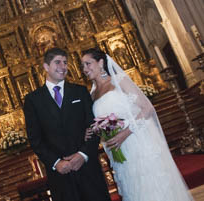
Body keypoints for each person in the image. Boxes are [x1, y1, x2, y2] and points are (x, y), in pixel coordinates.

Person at [81, 48, 194, 201]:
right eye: (83, 66)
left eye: (88, 64)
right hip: (118, 149)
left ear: (101, 62)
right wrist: (94, 131)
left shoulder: (119, 80)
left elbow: (147, 109)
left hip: (137, 141)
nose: (84, 69)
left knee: (151, 186)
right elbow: (100, 122)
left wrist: (125, 132)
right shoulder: (92, 94)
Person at [23, 47, 111, 201]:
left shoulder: (80, 91)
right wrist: (56, 162)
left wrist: (82, 155)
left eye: (65, 62)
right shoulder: (33, 100)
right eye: (58, 62)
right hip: (60, 177)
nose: (63, 67)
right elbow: (35, 139)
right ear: (46, 67)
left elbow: (94, 126)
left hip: (88, 170)